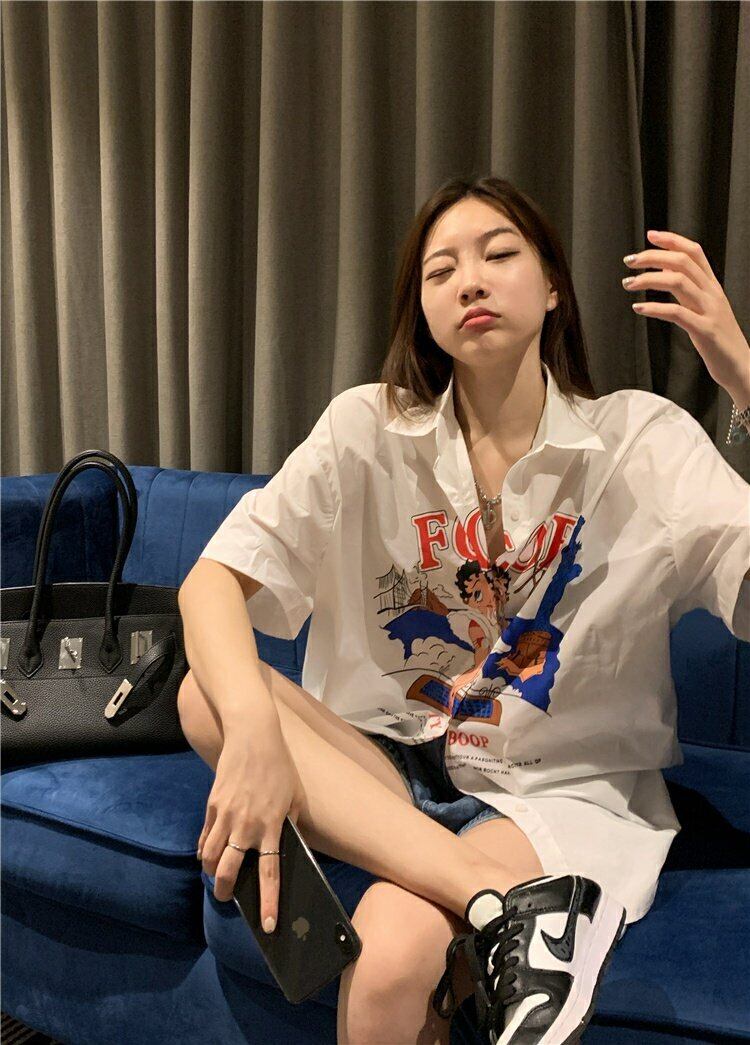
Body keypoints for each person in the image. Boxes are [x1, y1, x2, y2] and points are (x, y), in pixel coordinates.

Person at [178, 175, 750, 1045]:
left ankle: (491, 894)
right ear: (422, 307)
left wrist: (744, 378)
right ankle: (507, 901)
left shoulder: (641, 440)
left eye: (499, 254)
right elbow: (210, 582)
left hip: (551, 783)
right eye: (440, 270)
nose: (470, 281)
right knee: (206, 694)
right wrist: (254, 730)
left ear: (553, 286)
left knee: (392, 956)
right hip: (390, 765)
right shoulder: (367, 428)